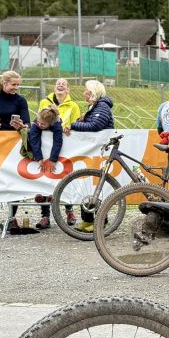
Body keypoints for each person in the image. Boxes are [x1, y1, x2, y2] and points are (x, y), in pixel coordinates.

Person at [0, 71, 31, 227]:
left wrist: (21, 125)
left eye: (18, 84)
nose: (16, 87)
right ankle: (3, 216)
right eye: (13, 84)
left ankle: (11, 217)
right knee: (0, 178)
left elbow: (28, 123)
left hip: (15, 144)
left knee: (13, 180)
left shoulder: (21, 100)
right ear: (4, 83)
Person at [70, 80, 115, 232]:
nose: (84, 93)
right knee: (88, 186)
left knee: (97, 186)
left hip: (101, 152)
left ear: (92, 92)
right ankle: (87, 219)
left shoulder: (102, 106)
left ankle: (100, 221)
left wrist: (73, 125)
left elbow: (95, 126)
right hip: (93, 151)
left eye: (86, 90)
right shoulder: (94, 107)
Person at [38, 78, 81, 225]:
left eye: (64, 84)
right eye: (58, 84)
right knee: (45, 177)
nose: (60, 85)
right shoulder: (45, 102)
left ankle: (69, 211)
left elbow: (77, 123)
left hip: (65, 145)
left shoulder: (73, 105)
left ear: (68, 90)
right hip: (46, 144)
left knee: (64, 176)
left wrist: (69, 126)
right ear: (54, 88)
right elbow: (40, 120)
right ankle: (45, 216)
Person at [27, 106, 65, 229]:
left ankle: (69, 210)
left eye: (43, 124)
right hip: (41, 158)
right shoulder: (36, 123)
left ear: (51, 123)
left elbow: (58, 141)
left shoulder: (57, 124)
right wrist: (39, 158)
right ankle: (45, 214)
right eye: (38, 122)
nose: (39, 124)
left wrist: (53, 159)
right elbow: (34, 140)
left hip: (62, 158)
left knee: (63, 180)